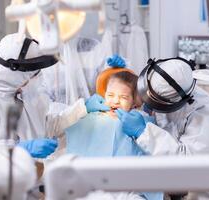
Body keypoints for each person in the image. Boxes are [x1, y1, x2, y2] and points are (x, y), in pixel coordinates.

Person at [0, 33, 109, 159]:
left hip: (35, 180)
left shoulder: (23, 96)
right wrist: (18, 151)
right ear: (16, 75)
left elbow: (48, 127)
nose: (39, 77)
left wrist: (82, 108)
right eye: (35, 74)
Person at [115, 57, 209, 200]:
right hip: (167, 179)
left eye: (154, 99)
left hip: (200, 189)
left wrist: (143, 132)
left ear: (173, 101)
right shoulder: (167, 83)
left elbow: (186, 162)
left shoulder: (207, 115)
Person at [65, 71, 161, 200]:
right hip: (92, 184)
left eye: (124, 97)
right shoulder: (89, 117)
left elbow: (153, 144)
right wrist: (83, 110)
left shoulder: (139, 120)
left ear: (134, 102)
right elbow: (65, 127)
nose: (115, 101)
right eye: (110, 95)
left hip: (127, 186)